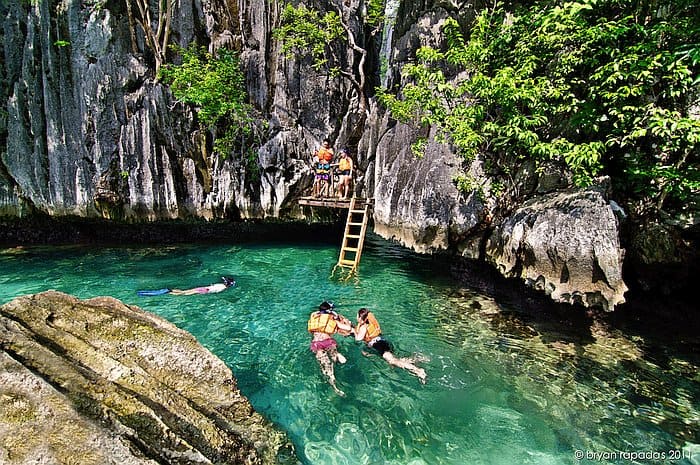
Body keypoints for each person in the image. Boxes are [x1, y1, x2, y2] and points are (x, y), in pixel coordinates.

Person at [354, 307, 427, 383]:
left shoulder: (363, 327)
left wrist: (354, 331)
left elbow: (358, 339)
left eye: (357, 315)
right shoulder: (370, 323)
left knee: (392, 361)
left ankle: (418, 371)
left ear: (360, 318)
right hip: (384, 342)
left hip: (379, 345)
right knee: (393, 360)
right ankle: (417, 359)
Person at [307, 301, 354, 396]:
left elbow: (316, 313)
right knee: (333, 361)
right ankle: (338, 357)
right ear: (330, 311)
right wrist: (346, 321)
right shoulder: (334, 320)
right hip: (328, 342)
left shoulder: (314, 317)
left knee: (327, 366)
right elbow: (348, 329)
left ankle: (334, 386)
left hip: (317, 344)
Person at [169, 276, 236, 295]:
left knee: (185, 292)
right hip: (205, 290)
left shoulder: (221, 285)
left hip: (205, 289)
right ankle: (170, 292)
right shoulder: (222, 287)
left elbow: (213, 287)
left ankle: (171, 291)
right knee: (185, 293)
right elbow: (215, 290)